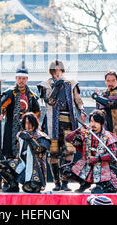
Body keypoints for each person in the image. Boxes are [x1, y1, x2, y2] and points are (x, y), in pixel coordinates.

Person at [37, 59, 86, 191]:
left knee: (69, 151)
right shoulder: (46, 84)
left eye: (59, 70)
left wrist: (81, 109)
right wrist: (57, 86)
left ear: (63, 70)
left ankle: (65, 182)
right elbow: (50, 101)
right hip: (52, 121)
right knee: (53, 152)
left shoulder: (71, 83)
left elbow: (78, 99)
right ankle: (56, 182)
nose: (57, 73)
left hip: (69, 120)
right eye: (54, 70)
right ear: (51, 71)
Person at [61, 110, 117, 194]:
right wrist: (78, 130)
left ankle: (98, 185)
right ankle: (84, 183)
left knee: (112, 188)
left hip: (101, 167)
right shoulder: (85, 133)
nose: (93, 124)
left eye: (96, 122)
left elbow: (113, 154)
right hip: (85, 165)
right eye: (92, 121)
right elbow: (68, 138)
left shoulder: (108, 136)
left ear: (101, 124)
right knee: (65, 170)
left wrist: (97, 158)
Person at [93, 70, 117, 191]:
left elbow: (113, 104)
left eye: (113, 80)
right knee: (101, 158)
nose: (110, 83)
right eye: (108, 80)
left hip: (116, 131)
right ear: (105, 81)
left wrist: (97, 98)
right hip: (103, 132)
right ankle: (101, 184)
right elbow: (98, 113)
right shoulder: (101, 95)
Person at [0, 112, 51, 193]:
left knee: (28, 188)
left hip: (35, 170)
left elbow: (39, 150)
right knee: (0, 165)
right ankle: (13, 185)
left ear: (35, 123)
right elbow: (18, 153)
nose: (28, 125)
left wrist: (30, 139)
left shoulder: (42, 136)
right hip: (22, 165)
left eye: (30, 123)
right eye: (26, 123)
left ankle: (29, 183)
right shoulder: (21, 135)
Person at [0, 61, 40, 160]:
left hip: (27, 127)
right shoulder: (10, 93)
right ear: (16, 78)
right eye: (19, 78)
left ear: (27, 79)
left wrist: (33, 124)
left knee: (26, 153)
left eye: (23, 78)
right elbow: (2, 107)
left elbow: (37, 112)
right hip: (11, 126)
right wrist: (0, 115)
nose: (21, 81)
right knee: (10, 154)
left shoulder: (32, 96)